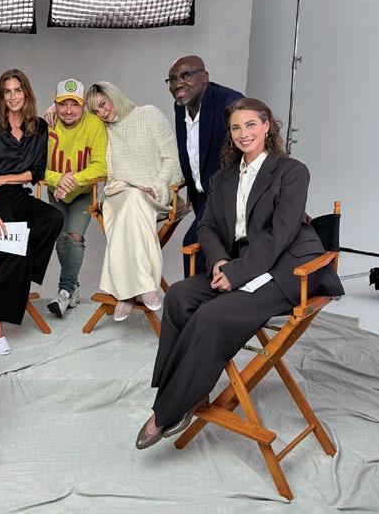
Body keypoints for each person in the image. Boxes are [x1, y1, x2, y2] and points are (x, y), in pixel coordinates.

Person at [136, 97, 344, 450]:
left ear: (267, 126)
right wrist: (220, 261)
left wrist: (237, 273)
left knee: (211, 315)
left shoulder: (292, 171)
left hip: (289, 268)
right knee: (178, 297)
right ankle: (184, 390)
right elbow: (207, 226)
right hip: (239, 262)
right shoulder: (223, 178)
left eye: (250, 125)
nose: (243, 133)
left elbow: (281, 234)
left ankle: (167, 409)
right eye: (236, 127)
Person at [0, 69, 63, 355]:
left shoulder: (39, 127)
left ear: (26, 93)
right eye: (7, 91)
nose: (13, 96)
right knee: (15, 251)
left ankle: (2, 281)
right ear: (1, 96)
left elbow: (36, 172)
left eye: (17, 90)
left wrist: (3, 179)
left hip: (14, 193)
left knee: (52, 218)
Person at [85, 82, 183, 321]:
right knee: (130, 200)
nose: (102, 113)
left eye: (103, 104)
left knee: (134, 204)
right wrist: (53, 111)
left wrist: (158, 185)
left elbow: (172, 158)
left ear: (113, 95)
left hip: (151, 194)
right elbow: (73, 122)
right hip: (117, 193)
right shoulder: (102, 129)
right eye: (96, 111)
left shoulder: (149, 115)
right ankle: (145, 286)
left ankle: (125, 294)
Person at [166, 55, 243, 276]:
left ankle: (193, 297)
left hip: (229, 195)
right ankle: (212, 294)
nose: (178, 84)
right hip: (202, 195)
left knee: (194, 246)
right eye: (172, 79)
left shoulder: (230, 103)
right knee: (213, 252)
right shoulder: (181, 106)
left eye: (185, 75)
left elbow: (254, 146)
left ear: (204, 77)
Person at [44, 78, 107, 318]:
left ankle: (64, 291)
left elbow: (101, 166)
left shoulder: (94, 124)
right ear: (55, 105)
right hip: (55, 192)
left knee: (74, 236)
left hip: (83, 192)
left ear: (83, 105)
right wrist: (58, 180)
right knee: (61, 238)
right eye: (62, 104)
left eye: (74, 104)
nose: (68, 110)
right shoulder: (46, 125)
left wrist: (72, 180)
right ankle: (74, 288)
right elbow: (36, 167)